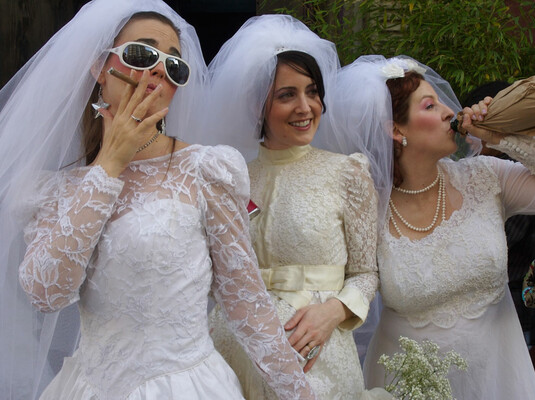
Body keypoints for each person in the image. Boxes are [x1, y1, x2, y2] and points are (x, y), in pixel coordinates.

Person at [0, 1, 318, 399]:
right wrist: (110, 164)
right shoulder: (56, 191)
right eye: (141, 54)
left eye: (174, 65)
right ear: (100, 67)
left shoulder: (206, 171)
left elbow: (247, 304)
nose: (158, 70)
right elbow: (47, 294)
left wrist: (300, 393)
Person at [327, 55, 535, 400]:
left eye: (442, 101)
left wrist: (504, 138)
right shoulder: (369, 205)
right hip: (407, 379)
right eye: (430, 105)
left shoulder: (485, 177)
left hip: (497, 373)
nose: (448, 112)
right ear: (396, 130)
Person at [204, 15, 389, 400]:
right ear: (259, 105)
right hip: (232, 351)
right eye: (287, 94)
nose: (306, 106)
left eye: (313, 91)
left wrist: (334, 312)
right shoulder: (230, 179)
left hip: (317, 356)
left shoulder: (347, 173)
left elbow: (366, 273)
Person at [463, 81, 535, 348]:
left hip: (504, 309)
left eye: (475, 127)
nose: (467, 137)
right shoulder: (483, 167)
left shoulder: (516, 176)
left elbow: (490, 245)